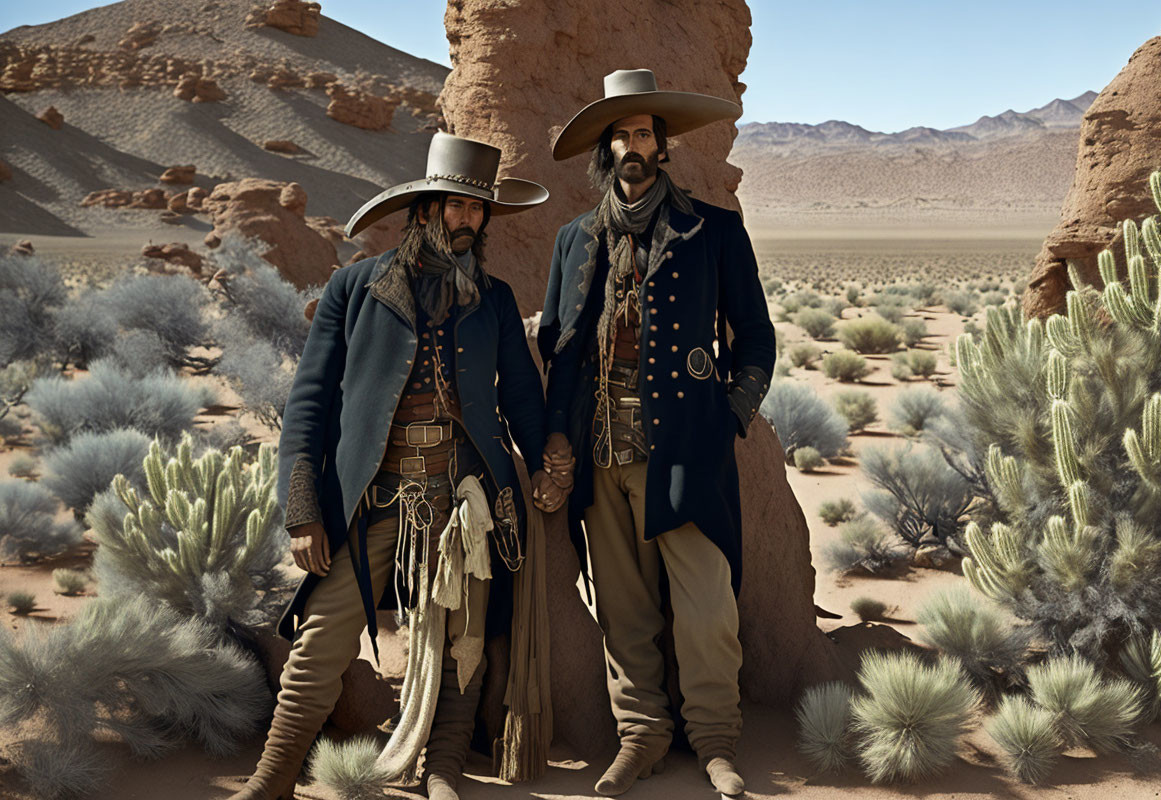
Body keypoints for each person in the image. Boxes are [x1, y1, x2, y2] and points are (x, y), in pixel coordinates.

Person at [232, 132, 560, 800]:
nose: (467, 221)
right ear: (423, 209)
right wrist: (301, 509)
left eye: (477, 212)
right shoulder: (355, 288)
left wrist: (553, 458)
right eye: (455, 207)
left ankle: (441, 767)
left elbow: (522, 397)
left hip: (465, 497)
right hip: (371, 498)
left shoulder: (492, 299)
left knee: (463, 641)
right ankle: (273, 777)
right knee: (322, 640)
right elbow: (310, 404)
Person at [537, 69, 775, 797]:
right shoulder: (575, 241)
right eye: (621, 134)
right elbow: (559, 348)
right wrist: (558, 441)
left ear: (661, 145)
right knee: (624, 607)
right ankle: (640, 734)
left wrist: (729, 412)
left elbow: (757, 339)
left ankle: (715, 740)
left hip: (686, 449)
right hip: (602, 445)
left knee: (706, 603)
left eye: (643, 133)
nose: (633, 145)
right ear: (605, 151)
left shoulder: (713, 231)